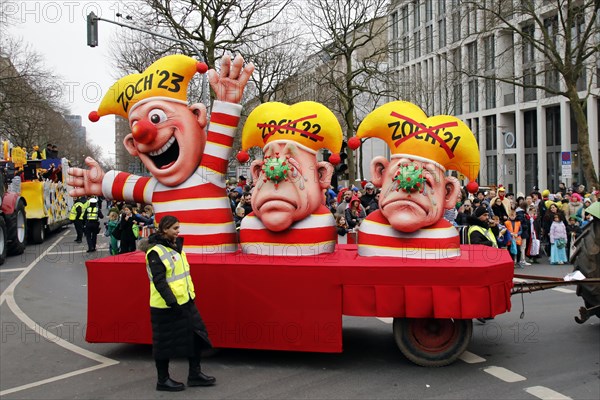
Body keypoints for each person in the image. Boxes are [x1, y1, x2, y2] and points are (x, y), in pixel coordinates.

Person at [67, 54, 254, 254]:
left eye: (157, 117)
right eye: (137, 125)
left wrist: (226, 102)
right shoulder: (154, 188)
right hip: (173, 272)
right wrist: (101, 182)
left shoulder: (210, 172)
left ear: (197, 116)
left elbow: (220, 138)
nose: (144, 132)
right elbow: (124, 183)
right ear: (132, 145)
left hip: (220, 272)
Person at [237, 101, 341, 256]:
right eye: (268, 165)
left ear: (322, 175)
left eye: (291, 164)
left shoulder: (322, 222)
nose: (276, 177)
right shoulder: (249, 225)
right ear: (257, 173)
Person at [144, 216, 215, 392]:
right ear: (165, 229)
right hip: (166, 306)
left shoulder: (176, 246)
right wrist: (173, 303)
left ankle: (195, 374)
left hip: (186, 301)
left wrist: (188, 297)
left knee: (197, 336)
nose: (178, 231)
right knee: (163, 344)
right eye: (175, 228)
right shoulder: (155, 252)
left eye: (179, 227)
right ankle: (163, 380)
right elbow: (159, 282)